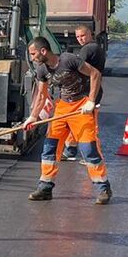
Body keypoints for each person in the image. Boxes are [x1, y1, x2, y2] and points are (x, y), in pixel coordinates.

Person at [24, 37, 111, 205]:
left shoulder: (69, 60)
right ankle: (45, 187)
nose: (32, 58)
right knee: (50, 149)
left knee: (88, 149)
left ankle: (103, 188)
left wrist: (91, 101)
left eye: (34, 54)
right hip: (62, 107)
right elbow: (42, 96)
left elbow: (95, 74)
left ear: (43, 51)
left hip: (81, 106)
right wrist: (33, 116)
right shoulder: (42, 70)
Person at [59, 25, 106, 161]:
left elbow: (78, 68)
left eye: (82, 36)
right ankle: (71, 150)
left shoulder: (87, 49)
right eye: (78, 37)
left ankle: (93, 156)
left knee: (87, 125)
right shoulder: (97, 48)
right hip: (93, 90)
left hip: (88, 91)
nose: (80, 39)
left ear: (90, 34)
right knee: (75, 121)